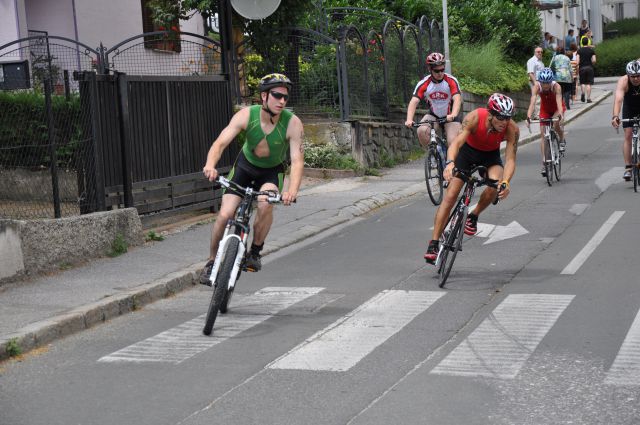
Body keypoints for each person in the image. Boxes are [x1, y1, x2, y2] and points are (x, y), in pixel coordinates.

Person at [199, 73, 304, 283]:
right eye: (277, 95)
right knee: (225, 214)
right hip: (244, 168)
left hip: (271, 172)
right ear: (264, 96)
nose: (282, 101)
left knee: (265, 204)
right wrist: (210, 165)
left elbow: (297, 160)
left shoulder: (293, 123)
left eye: (285, 97)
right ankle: (211, 262)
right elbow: (220, 144)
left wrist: (292, 190)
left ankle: (255, 252)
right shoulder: (247, 115)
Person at [424, 94, 519, 263]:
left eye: (507, 118)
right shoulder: (474, 117)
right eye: (500, 117)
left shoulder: (512, 129)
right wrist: (450, 163)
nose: (504, 122)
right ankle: (434, 242)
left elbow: (511, 158)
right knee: (451, 195)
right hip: (467, 154)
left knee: (494, 186)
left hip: (490, 156)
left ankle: (473, 216)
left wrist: (506, 182)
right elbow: (457, 143)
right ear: (490, 114)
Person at [405, 52, 462, 153]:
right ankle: (435, 152)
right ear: (430, 69)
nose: (440, 73)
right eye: (436, 71)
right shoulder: (424, 83)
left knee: (452, 141)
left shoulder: (451, 81)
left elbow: (457, 99)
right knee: (421, 131)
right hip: (434, 115)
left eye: (442, 70)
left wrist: (453, 114)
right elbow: (414, 101)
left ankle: (453, 164)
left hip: (450, 116)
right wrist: (409, 119)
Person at [526, 67, 566, 176]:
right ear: (540, 81)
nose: (546, 85)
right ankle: (544, 162)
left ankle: (561, 138)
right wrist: (528, 117)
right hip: (545, 109)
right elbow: (532, 103)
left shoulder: (556, 87)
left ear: (551, 81)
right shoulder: (536, 87)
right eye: (544, 83)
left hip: (557, 109)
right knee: (543, 135)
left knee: (555, 124)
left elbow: (559, 102)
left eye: (548, 82)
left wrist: (561, 116)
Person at [611, 60, 640, 181]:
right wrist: (615, 116)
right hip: (629, 108)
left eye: (638, 76)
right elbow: (618, 99)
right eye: (632, 76)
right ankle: (628, 168)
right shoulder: (623, 81)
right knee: (628, 135)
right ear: (628, 75)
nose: (635, 79)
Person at [576, 37, 596, 103]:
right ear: (588, 42)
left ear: (582, 42)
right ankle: (588, 98)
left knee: (582, 82)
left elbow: (577, 61)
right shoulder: (591, 50)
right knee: (588, 83)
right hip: (589, 68)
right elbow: (594, 60)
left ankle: (583, 93)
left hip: (582, 68)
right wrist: (591, 63)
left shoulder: (579, 51)